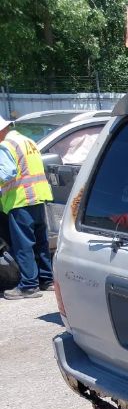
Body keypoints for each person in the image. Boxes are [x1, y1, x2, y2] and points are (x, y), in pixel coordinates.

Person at [0, 114, 54, 299]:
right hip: (38, 198)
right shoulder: (27, 141)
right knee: (40, 242)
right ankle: (47, 280)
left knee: (23, 245)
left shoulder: (5, 146)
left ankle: (29, 286)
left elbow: (6, 173)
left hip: (21, 200)